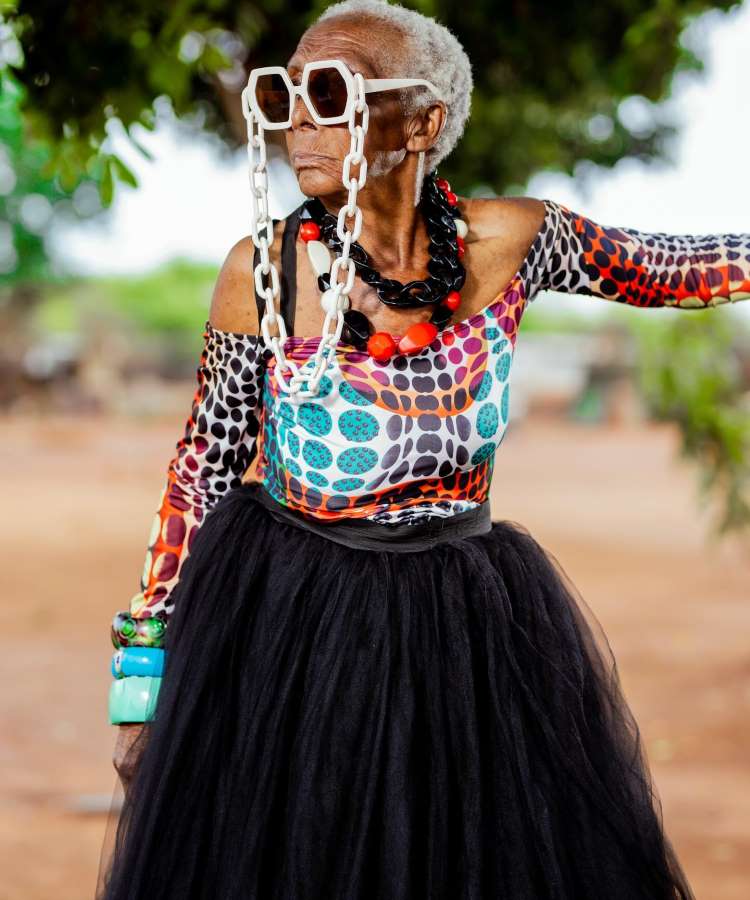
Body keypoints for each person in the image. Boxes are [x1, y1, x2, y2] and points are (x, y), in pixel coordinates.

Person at [96, 1, 750, 897]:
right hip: (299, 625)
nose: (301, 121)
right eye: (287, 93)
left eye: (331, 92)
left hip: (468, 626)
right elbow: (206, 467)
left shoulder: (514, 241)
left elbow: (676, 267)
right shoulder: (266, 271)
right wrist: (144, 675)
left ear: (424, 120)